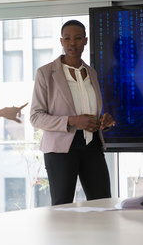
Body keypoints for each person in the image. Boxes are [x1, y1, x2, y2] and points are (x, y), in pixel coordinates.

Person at [30, 20, 116, 205]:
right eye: (67, 38)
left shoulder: (92, 73)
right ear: (61, 41)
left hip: (92, 145)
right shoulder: (45, 73)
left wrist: (103, 122)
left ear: (85, 41)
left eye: (78, 38)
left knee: (103, 203)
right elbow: (35, 117)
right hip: (61, 149)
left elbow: (90, 111)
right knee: (62, 206)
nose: (72, 43)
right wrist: (73, 121)